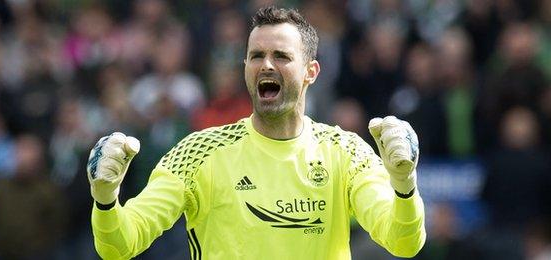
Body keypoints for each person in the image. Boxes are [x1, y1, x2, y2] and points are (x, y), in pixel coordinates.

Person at [87, 6, 425, 259]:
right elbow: (120, 245)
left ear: (311, 72)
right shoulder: (197, 153)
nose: (266, 65)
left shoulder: (345, 151)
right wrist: (105, 199)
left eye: (281, 56)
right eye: (256, 56)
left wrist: (404, 187)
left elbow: (403, 242)